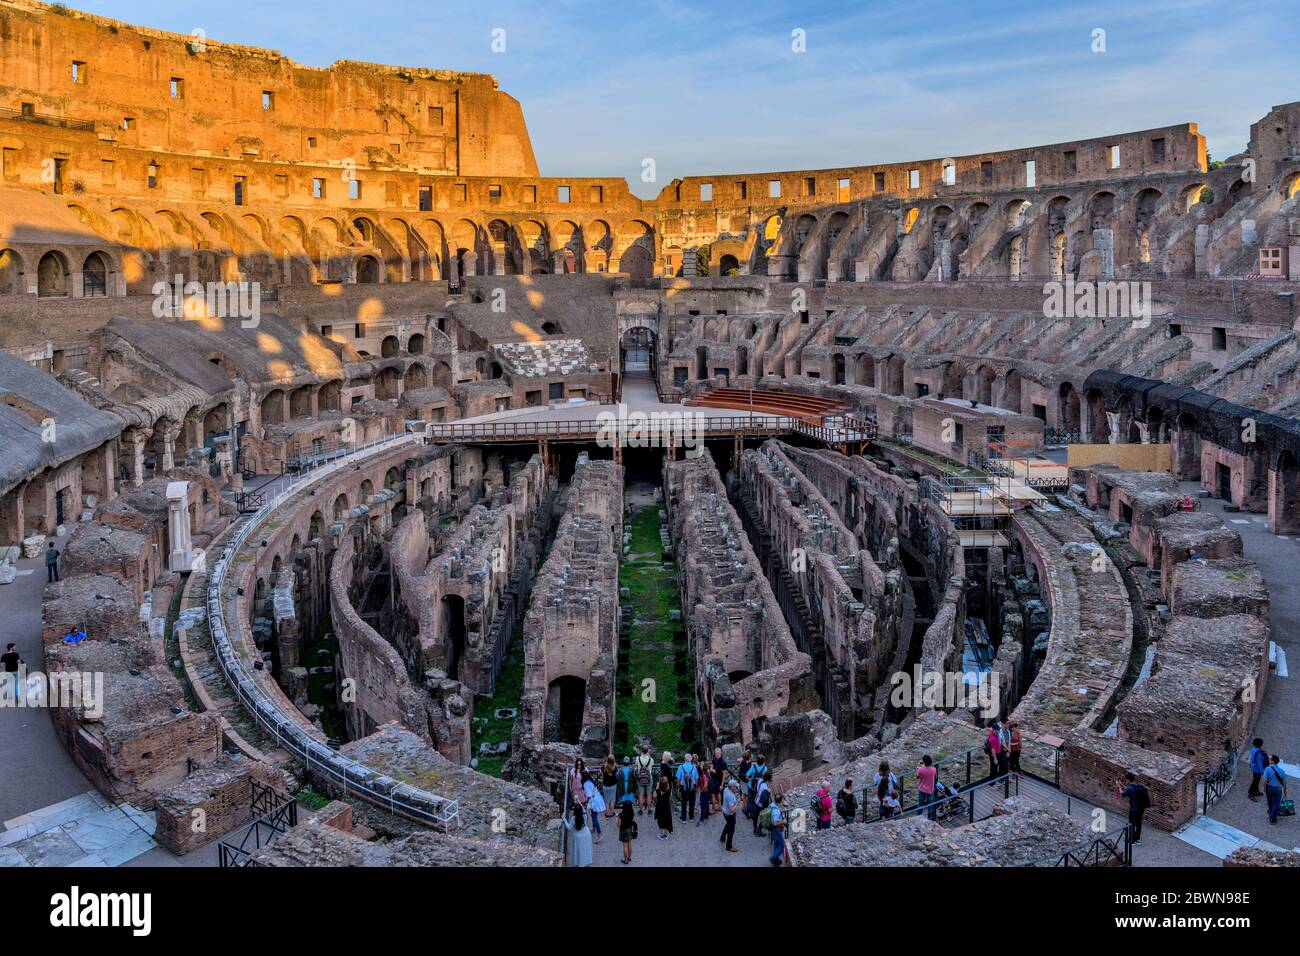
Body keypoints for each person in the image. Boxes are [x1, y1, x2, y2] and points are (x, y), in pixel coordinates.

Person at [1116, 772, 1150, 845]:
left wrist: (1119, 786)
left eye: (1126, 780)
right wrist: (1121, 785)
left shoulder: (1130, 788)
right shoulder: (1137, 786)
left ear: (1128, 780)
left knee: (1132, 824)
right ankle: (1137, 839)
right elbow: (1128, 789)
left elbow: (1123, 794)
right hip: (1141, 809)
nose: (1126, 781)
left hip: (1134, 810)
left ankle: (1132, 841)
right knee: (1138, 824)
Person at [1263, 755, 1288, 826]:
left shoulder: (1267, 769)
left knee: (1270, 801)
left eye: (1270, 759)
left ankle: (1271, 813)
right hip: (1278, 789)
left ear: (1273, 761)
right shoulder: (1282, 771)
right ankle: (1273, 817)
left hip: (1269, 787)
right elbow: (1284, 784)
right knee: (1276, 803)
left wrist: (1264, 788)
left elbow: (1265, 781)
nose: (1269, 759)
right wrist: (1285, 792)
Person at [582, 771, 605, 842]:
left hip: (594, 802)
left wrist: (584, 801)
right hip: (598, 799)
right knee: (593, 815)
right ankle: (594, 828)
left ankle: (599, 834)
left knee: (594, 817)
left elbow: (588, 795)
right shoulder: (591, 781)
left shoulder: (585, 784)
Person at [675, 753, 699, 823]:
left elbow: (678, 778)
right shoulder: (694, 767)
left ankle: (684, 818)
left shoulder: (681, 767)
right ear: (691, 759)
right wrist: (696, 787)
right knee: (692, 802)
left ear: (685, 759)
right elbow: (697, 779)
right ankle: (691, 817)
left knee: (684, 802)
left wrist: (679, 786)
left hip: (683, 787)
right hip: (692, 787)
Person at [719, 779, 740, 852]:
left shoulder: (726, 789)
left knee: (727, 825)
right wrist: (737, 802)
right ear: (732, 787)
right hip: (730, 814)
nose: (737, 789)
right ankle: (729, 846)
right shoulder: (730, 796)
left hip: (725, 812)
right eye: (735, 787)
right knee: (731, 830)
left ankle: (722, 837)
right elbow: (732, 809)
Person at [916, 755, 938, 821]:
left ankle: (918, 817)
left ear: (924, 762)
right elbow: (935, 777)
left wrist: (918, 767)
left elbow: (917, 776)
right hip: (931, 789)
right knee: (930, 805)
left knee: (920, 804)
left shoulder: (920, 769)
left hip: (922, 789)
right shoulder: (934, 769)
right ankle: (930, 819)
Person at [768, 793, 787, 867]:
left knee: (776, 843)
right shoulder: (776, 811)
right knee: (782, 845)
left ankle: (776, 859)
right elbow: (775, 823)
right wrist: (783, 821)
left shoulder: (771, 805)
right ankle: (774, 858)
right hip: (776, 829)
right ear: (781, 801)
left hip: (772, 829)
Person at [635, 746, 655, 814]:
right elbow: (652, 764)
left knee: (641, 794)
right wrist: (648, 756)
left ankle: (640, 810)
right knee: (649, 794)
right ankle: (649, 810)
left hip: (640, 778)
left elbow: (636, 764)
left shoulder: (638, 759)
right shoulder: (651, 760)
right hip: (649, 778)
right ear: (648, 751)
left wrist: (641, 755)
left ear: (641, 751)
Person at [752, 771, 773, 836]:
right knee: (764, 816)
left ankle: (755, 828)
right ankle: (759, 830)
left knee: (755, 815)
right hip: (761, 804)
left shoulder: (760, 781)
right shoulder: (765, 788)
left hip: (756, 801)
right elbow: (765, 799)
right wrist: (768, 792)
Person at [618, 800, 637, 864]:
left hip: (623, 831)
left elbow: (618, 825)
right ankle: (629, 857)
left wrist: (616, 818)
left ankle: (626, 860)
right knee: (629, 844)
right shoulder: (632, 813)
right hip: (629, 829)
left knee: (625, 846)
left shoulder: (620, 815)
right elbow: (633, 821)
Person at [710, 747, 727, 812]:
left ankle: (713, 809)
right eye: (716, 753)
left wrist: (722, 785)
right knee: (717, 793)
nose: (717, 754)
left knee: (714, 794)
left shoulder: (723, 762)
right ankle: (719, 806)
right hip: (714, 779)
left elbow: (724, 774)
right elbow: (711, 767)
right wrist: (712, 770)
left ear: (721, 753)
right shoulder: (714, 760)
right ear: (714, 753)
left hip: (719, 780)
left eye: (718, 753)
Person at [697, 756, 711, 824]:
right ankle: (707, 815)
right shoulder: (707, 774)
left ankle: (702, 818)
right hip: (707, 791)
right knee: (706, 803)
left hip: (704, 791)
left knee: (703, 804)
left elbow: (705, 784)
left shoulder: (704, 775)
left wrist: (702, 790)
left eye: (701, 766)